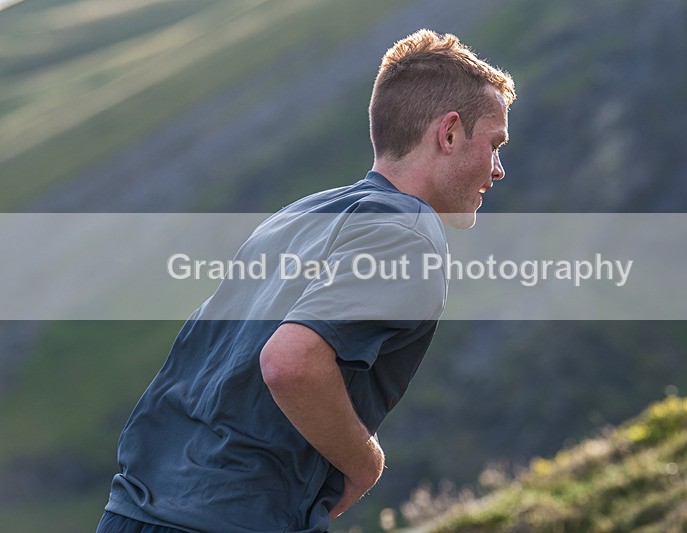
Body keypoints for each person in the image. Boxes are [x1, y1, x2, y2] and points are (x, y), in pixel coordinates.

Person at [97, 28, 514, 533]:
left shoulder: (298, 216)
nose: (498, 170)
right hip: (235, 520)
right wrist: (365, 464)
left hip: (134, 510)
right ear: (448, 134)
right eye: (494, 145)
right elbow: (290, 362)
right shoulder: (409, 235)